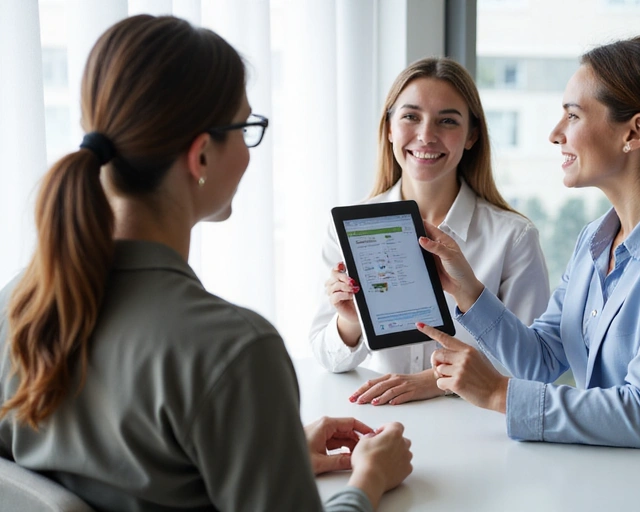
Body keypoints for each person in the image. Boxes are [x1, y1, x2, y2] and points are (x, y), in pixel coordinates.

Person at [0, 15, 412, 511]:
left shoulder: (19, 304)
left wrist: (268, 452)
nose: (248, 150)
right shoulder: (234, 351)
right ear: (200, 156)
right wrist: (367, 480)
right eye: (246, 128)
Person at [416, 35, 640, 469]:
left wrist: (497, 394)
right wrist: (466, 289)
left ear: (634, 132)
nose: (555, 133)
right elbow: (541, 359)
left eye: (573, 115)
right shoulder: (595, 240)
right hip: (613, 475)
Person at [309, 57, 550, 406]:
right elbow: (326, 357)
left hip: (477, 433)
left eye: (447, 121)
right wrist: (350, 322)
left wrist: (434, 382)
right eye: (410, 116)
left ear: (472, 136)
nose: (426, 135)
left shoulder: (513, 238)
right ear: (389, 127)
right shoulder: (349, 227)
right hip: (381, 422)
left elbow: (532, 364)